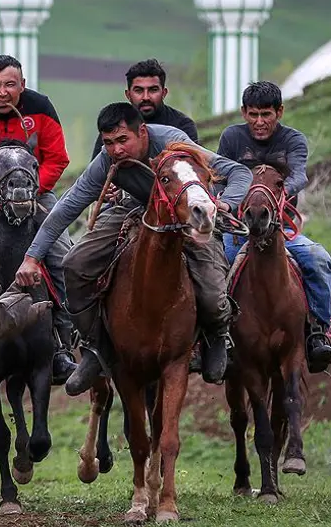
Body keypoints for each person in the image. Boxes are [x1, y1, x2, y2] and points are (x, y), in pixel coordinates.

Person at [15, 102, 253, 396]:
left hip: (188, 214)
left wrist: (225, 203)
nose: (116, 150)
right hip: (136, 208)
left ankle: (216, 336)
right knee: (74, 264)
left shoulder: (174, 144)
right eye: (108, 143)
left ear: (142, 132)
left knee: (213, 292)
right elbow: (67, 207)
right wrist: (32, 257)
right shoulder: (106, 161)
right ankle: (95, 346)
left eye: (122, 140)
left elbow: (239, 172)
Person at [0, 54, 77, 385]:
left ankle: (63, 342)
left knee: (63, 256)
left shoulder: (41, 107)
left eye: (10, 84)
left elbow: (57, 158)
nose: (2, 92)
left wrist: (31, 190)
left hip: (35, 194)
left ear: (22, 85)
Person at [217, 80, 331, 373]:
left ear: (279, 112)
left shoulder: (293, 140)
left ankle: (318, 331)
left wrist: (277, 192)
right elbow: (219, 178)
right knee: (217, 270)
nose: (259, 122)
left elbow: (298, 176)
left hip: (281, 228)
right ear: (244, 113)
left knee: (318, 259)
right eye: (253, 114)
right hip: (238, 229)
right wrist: (225, 202)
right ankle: (216, 340)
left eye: (266, 114)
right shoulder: (231, 138)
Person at [90, 58, 199, 160]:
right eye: (139, 90)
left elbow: (192, 168)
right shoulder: (113, 126)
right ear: (128, 95)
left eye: (153, 90)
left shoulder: (182, 125)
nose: (146, 97)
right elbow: (97, 170)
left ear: (164, 93)